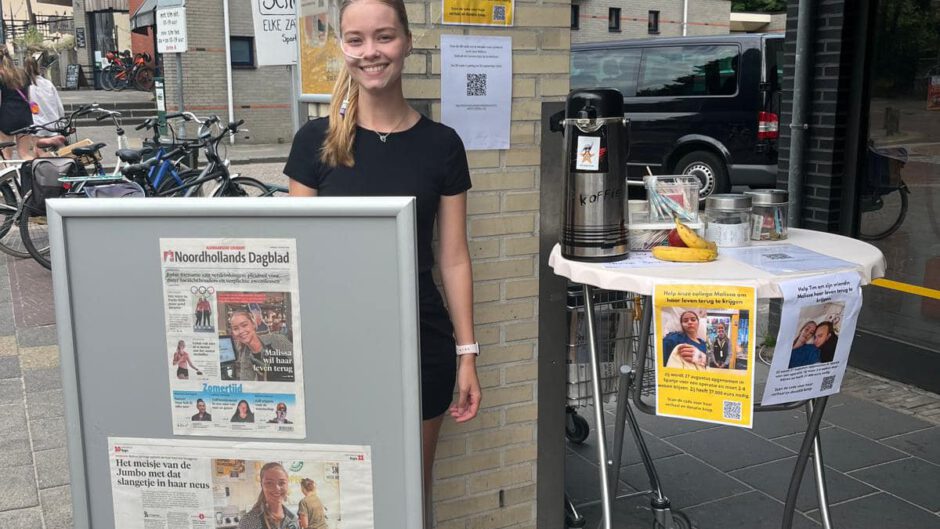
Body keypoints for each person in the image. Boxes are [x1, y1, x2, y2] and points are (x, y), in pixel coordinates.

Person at [283, 0, 481, 513]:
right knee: (340, 496)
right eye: (356, 39)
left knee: (409, 491)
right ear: (343, 48)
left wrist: (467, 355)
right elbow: (296, 260)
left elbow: (453, 257)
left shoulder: (442, 145)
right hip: (336, 345)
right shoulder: (316, 143)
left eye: (384, 37)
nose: (370, 51)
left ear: (408, 42)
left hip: (421, 340)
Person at [229, 309, 294, 382]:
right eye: (235, 328)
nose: (241, 331)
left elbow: (300, 361)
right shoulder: (246, 356)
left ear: (253, 324)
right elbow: (246, 383)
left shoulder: (276, 340)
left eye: (244, 325)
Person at [238, 462, 299, 529]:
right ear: (262, 485)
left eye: (281, 483)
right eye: (269, 483)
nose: (277, 488)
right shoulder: (249, 521)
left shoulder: (293, 520)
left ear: (287, 484)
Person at [0, 48, 35, 160]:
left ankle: (8, 177)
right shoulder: (22, 73)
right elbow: (29, 97)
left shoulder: (1, 75)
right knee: (24, 153)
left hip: (6, 117)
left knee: (6, 156)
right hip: (24, 116)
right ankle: (33, 175)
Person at [24, 57, 63, 143]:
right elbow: (58, 103)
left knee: (38, 150)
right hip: (53, 122)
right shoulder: (48, 83)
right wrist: (61, 118)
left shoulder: (27, 86)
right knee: (58, 149)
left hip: (37, 124)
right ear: (37, 67)